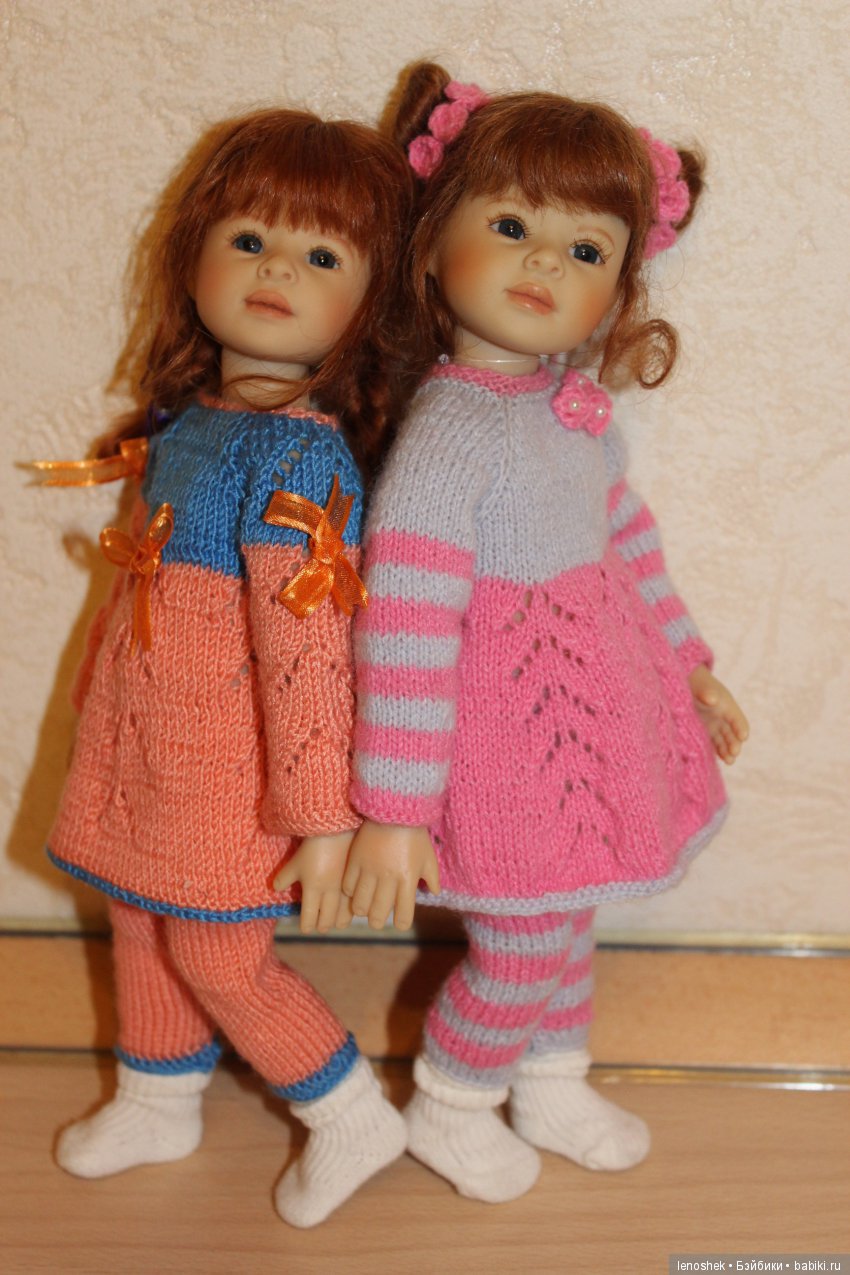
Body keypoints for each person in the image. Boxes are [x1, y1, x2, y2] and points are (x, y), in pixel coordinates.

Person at [343, 62, 749, 1204]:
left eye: (585, 249)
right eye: (512, 227)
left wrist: (690, 665)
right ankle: (452, 1103)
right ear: (433, 245)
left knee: (566, 920)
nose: (544, 265)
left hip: (594, 720)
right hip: (502, 749)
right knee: (520, 942)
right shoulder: (450, 438)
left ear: (618, 289)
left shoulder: (573, 411)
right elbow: (404, 627)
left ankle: (551, 1080)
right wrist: (394, 808)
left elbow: (629, 544)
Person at [40, 106, 413, 1228]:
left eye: (321, 255)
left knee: (219, 955)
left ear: (369, 305)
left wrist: (321, 818)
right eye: (249, 239)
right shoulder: (189, 425)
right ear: (192, 256)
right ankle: (158, 1096)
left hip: (230, 776)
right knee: (135, 917)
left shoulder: (299, 455)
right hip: (147, 747)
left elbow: (309, 656)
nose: (276, 270)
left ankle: (348, 1110)